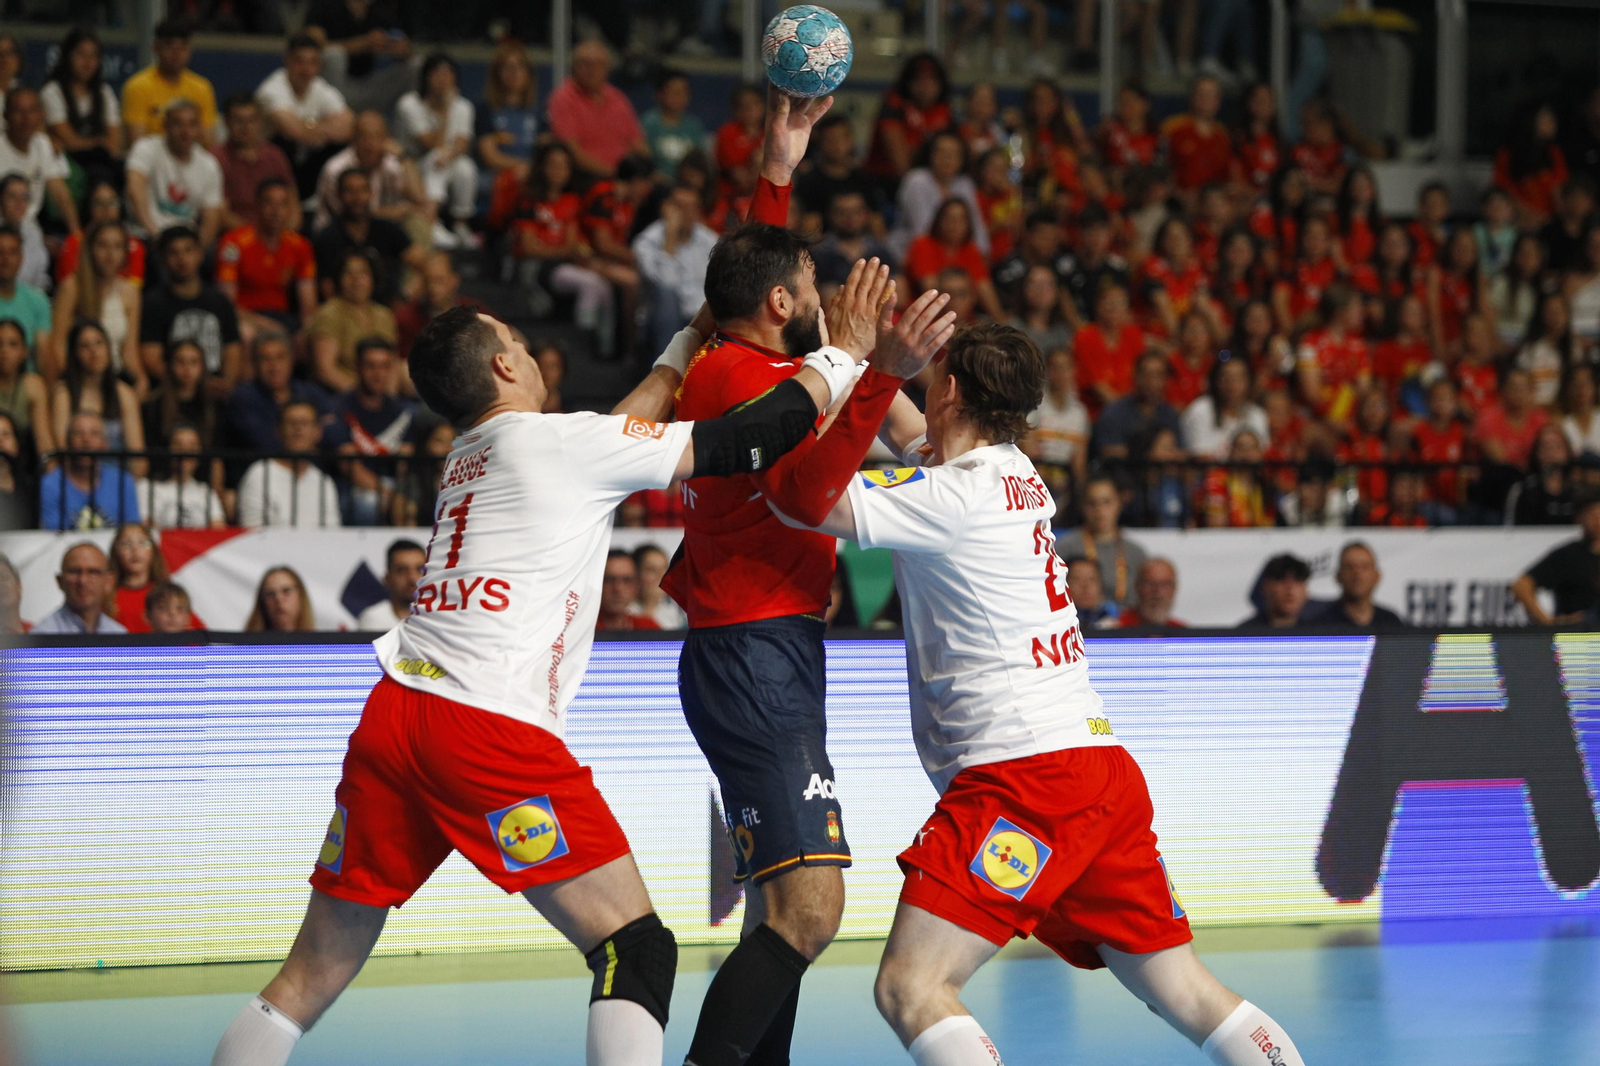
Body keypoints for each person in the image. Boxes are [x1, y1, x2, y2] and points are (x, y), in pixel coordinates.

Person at [207, 224, 865, 1062]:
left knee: (304, 981)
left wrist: (691, 337)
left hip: (393, 715)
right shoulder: (558, 445)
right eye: (518, 342)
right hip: (483, 726)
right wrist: (843, 356)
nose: (532, 350)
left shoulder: (473, 455)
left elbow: (622, 427)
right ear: (503, 368)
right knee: (637, 948)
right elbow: (740, 439)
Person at [769, 321, 1310, 1066]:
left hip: (1022, 778)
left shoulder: (950, 496)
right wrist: (848, 352)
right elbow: (906, 432)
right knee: (1184, 989)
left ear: (950, 389)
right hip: (1097, 768)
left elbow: (805, 498)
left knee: (911, 988)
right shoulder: (1012, 469)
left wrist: (854, 371)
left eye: (933, 375)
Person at [666, 88, 958, 1066]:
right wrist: (876, 366)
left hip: (765, 644)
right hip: (753, 653)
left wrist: (781, 162)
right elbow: (809, 482)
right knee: (812, 907)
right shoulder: (745, 386)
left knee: (778, 900)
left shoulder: (733, 358)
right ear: (784, 309)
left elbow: (755, 272)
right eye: (808, 286)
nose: (824, 296)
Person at [139, 226, 243, 395]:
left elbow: (232, 348)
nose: (182, 259)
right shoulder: (153, 302)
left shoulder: (219, 300)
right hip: (172, 389)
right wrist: (187, 383)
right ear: (163, 261)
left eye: (188, 250)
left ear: (200, 255)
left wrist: (226, 382)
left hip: (216, 388)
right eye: (174, 253)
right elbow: (151, 357)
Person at [324, 337, 413, 523]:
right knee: (367, 502)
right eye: (370, 366)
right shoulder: (337, 408)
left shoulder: (402, 412)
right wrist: (389, 494)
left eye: (384, 366)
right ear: (357, 367)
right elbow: (351, 468)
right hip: (351, 491)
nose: (378, 374)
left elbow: (405, 466)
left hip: (394, 488)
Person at [257, 33, 355, 201]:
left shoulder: (320, 88)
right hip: (270, 168)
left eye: (313, 62)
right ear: (287, 61)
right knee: (286, 143)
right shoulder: (272, 89)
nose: (306, 69)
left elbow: (349, 127)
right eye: (299, 61)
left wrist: (307, 126)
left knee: (342, 148)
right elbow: (292, 131)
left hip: (306, 165)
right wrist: (322, 127)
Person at [49, 220, 144, 394]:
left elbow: (129, 352)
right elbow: (57, 345)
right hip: (78, 379)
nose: (110, 254)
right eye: (103, 245)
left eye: (117, 247)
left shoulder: (131, 293)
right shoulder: (72, 288)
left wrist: (141, 379)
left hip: (115, 379)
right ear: (90, 249)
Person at [217, 178, 319, 337]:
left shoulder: (301, 245)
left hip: (283, 317)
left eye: (283, 204)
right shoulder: (233, 243)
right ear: (257, 206)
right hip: (247, 316)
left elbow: (308, 303)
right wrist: (268, 326)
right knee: (246, 333)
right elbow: (226, 303)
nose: (276, 211)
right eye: (269, 203)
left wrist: (306, 332)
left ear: (290, 209)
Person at [395, 53, 478, 250]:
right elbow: (431, 142)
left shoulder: (464, 106)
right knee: (436, 157)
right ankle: (430, 220)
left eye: (449, 74)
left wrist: (450, 153)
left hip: (445, 162)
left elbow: (462, 143)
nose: (444, 80)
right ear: (426, 77)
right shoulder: (409, 104)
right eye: (438, 74)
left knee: (465, 167)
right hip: (410, 166)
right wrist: (446, 109)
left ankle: (460, 225)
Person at [312, 166, 421, 305]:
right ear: (339, 195)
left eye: (362, 190)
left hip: (390, 310)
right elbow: (327, 289)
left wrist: (405, 298)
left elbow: (423, 264)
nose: (357, 197)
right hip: (346, 312)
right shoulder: (327, 238)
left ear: (371, 193)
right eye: (350, 191)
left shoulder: (389, 230)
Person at [125, 99, 225, 249]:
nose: (185, 131)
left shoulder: (209, 164)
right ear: (165, 125)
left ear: (199, 128)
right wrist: (155, 234)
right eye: (178, 123)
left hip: (186, 241)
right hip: (145, 235)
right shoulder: (146, 148)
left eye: (192, 124)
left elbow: (212, 215)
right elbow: (134, 189)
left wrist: (197, 251)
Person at [633, 183, 719, 354]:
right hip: (662, 321)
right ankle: (668, 373)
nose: (684, 214)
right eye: (679, 207)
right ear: (667, 208)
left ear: (698, 211)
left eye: (690, 208)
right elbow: (665, 282)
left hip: (702, 319)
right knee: (667, 295)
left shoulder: (711, 241)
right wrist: (670, 237)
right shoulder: (646, 242)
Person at [544, 40, 649, 179]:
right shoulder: (563, 99)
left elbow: (638, 144)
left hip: (627, 177)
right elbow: (574, 154)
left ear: (608, 68)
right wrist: (617, 176)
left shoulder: (618, 98)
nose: (592, 70)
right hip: (588, 177)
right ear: (574, 66)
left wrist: (648, 171)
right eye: (586, 64)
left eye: (599, 64)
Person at [312, 110, 429, 234]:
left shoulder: (390, 164)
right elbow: (350, 215)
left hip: (377, 233)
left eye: (377, 137)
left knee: (417, 222)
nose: (371, 144)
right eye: (364, 137)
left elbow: (419, 198)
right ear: (353, 139)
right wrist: (396, 212)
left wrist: (403, 157)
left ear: (386, 139)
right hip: (337, 235)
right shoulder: (336, 169)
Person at [236, 401, 343, 528]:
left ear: (318, 432)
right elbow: (254, 536)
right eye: (291, 423)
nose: (298, 429)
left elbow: (332, 534)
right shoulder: (260, 474)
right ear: (278, 430)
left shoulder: (324, 482)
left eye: (305, 423)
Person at [40, 27, 122, 189]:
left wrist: (101, 145)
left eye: (93, 56)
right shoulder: (52, 92)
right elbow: (70, 142)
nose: (88, 62)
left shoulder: (104, 93)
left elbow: (113, 143)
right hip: (67, 162)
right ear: (67, 57)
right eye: (81, 54)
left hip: (101, 161)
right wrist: (98, 142)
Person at [305, 0, 417, 116]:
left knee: (414, 66)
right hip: (332, 84)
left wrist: (400, 49)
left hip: (367, 83)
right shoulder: (325, 5)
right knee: (334, 55)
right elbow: (312, 46)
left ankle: (407, 127)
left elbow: (405, 47)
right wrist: (362, 43)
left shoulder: (378, 11)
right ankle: (337, 114)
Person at [224, 331, 329, 453]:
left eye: (281, 357)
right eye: (265, 359)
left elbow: (332, 430)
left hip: (308, 468)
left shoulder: (310, 392)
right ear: (255, 364)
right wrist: (307, 444)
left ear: (292, 360)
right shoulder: (242, 398)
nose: (274, 366)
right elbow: (263, 443)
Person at [51, 320, 144, 456]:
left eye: (99, 343)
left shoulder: (124, 393)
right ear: (74, 353)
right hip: (76, 473)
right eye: (85, 346)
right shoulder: (64, 393)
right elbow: (61, 451)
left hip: (117, 473)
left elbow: (138, 456)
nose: (94, 351)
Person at [119, 18, 219, 145]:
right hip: (152, 161)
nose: (176, 53)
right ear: (155, 47)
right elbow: (138, 144)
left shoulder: (202, 87)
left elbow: (208, 143)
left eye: (182, 47)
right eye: (169, 46)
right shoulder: (137, 86)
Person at [309, 253, 397, 393]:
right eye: (348, 273)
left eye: (363, 273)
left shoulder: (384, 315)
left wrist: (388, 399)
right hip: (339, 395)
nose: (356, 279)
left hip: (380, 396)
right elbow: (325, 370)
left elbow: (392, 365)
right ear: (339, 279)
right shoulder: (329, 313)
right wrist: (362, 397)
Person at [1055, 475, 1148, 608]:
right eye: (1092, 503)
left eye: (1107, 502)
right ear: (1083, 507)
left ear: (1120, 504)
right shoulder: (1065, 548)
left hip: (1126, 624)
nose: (1100, 510)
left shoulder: (1136, 553)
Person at [213, 93, 300, 233]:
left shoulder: (275, 155)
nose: (245, 127)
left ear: (260, 122)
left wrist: (285, 233)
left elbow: (293, 204)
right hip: (237, 237)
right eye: (238, 120)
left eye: (251, 120)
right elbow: (220, 214)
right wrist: (258, 238)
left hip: (279, 235)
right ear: (226, 121)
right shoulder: (216, 159)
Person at [38, 411, 139, 529]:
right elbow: (53, 535)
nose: (86, 440)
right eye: (78, 433)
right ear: (67, 442)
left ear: (105, 443)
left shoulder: (123, 481)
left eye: (94, 433)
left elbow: (132, 529)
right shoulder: (49, 484)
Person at [0, 88, 79, 235]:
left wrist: (76, 234)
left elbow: (61, 194)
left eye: (32, 110)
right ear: (6, 116)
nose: (26, 118)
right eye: (18, 111)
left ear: (41, 115)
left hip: (29, 229)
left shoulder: (42, 144)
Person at [1514, 493, 1600, 624]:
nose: (1597, 521)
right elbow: (1522, 585)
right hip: (1576, 635)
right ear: (1580, 518)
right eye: (1592, 515)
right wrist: (1546, 621)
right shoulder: (1569, 555)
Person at [53, 179, 147, 287]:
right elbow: (67, 285)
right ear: (90, 207)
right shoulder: (74, 242)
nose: (106, 209)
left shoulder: (134, 246)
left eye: (112, 202)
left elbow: (133, 288)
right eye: (99, 203)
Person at [136, 421, 228, 528]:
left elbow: (218, 530)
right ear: (167, 450)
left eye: (192, 447)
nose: (185, 451)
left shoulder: (206, 491)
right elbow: (147, 528)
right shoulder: (148, 487)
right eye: (178, 445)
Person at [394, 251, 485, 359]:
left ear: (454, 280)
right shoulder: (406, 317)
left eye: (439, 280)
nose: (432, 288)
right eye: (428, 280)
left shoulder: (472, 310)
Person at [475, 40, 541, 181]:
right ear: (497, 74)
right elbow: (490, 156)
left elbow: (547, 150)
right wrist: (519, 166)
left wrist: (533, 169)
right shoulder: (486, 110)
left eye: (520, 66)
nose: (514, 73)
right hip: (500, 176)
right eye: (508, 67)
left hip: (534, 175)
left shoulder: (539, 111)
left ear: (528, 73)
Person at [1310, 542, 1406, 630]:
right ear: (1338, 576)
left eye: (1365, 567)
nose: (1357, 575)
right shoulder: (1321, 623)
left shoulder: (1390, 621)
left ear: (1377, 576)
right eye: (1349, 567)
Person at [34, 542, 127, 634]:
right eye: (74, 571)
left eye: (93, 572)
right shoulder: (41, 637)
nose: (83, 581)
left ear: (109, 581)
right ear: (60, 581)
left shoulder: (119, 635)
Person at [141, 338, 217, 449]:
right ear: (170, 365)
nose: (187, 369)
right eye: (180, 361)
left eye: (193, 362)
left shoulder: (214, 406)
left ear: (203, 367)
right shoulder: (152, 407)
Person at [0, 226, 53, 374]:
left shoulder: (38, 300)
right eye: (0, 252)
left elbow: (43, 354)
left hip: (26, 383)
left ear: (21, 258)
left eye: (13, 252)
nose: (6, 259)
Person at [0, 316, 52, 457]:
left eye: (13, 344)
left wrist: (51, 473)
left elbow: (43, 440)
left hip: (23, 465)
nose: (4, 351)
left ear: (24, 352)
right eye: (0, 344)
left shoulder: (33, 385)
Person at [107, 522, 169, 633]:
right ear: (116, 552)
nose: (135, 550)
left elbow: (195, 637)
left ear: (153, 551)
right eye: (126, 544)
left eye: (143, 543)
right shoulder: (108, 595)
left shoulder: (167, 595)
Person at [355, 538, 425, 631]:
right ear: (387, 579)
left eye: (420, 569)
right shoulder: (373, 620)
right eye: (402, 570)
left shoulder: (442, 618)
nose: (412, 578)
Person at [0, 172, 49, 292]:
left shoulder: (33, 232)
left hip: (27, 301)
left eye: (24, 197)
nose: (19, 203)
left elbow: (40, 277)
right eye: (12, 197)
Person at [597, 550, 663, 632]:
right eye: (609, 580)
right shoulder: (582, 628)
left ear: (636, 585)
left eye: (627, 580)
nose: (618, 588)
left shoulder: (648, 627)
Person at [1239, 553, 1311, 628]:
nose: (1290, 588)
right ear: (1266, 587)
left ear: (1306, 591)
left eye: (1298, 580)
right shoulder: (1243, 635)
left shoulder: (1316, 635)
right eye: (1281, 580)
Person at [245, 565, 318, 631]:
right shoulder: (247, 645)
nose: (278, 599)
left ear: (300, 595)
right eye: (270, 594)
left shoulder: (319, 644)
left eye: (286, 591)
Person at [1118, 557, 1185, 628]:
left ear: (1174, 588)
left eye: (1165, 585)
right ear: (1137, 586)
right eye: (1150, 584)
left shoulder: (1183, 634)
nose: (1158, 592)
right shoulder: (1118, 627)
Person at [632, 543, 686, 629]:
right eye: (652, 570)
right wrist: (649, 606)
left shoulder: (680, 612)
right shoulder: (622, 610)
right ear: (635, 574)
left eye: (665, 569)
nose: (661, 576)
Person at [1065, 554, 1119, 628]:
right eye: (1076, 580)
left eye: (1092, 580)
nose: (1085, 586)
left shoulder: (1118, 620)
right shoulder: (1052, 623)